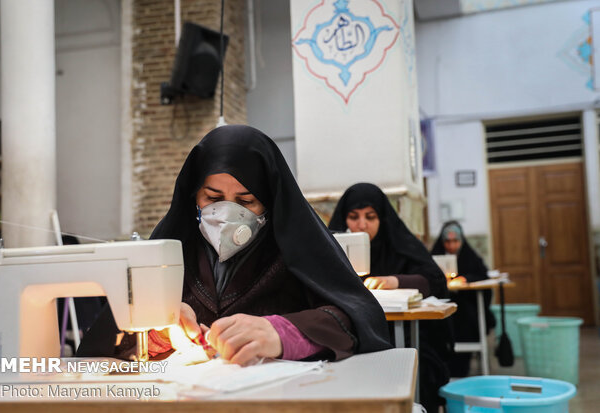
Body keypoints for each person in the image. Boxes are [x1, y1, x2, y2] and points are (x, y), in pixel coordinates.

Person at [77, 125, 391, 365]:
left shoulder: (294, 252)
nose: (227, 214)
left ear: (270, 202)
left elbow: (357, 317)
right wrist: (156, 333)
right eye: (212, 198)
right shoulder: (173, 254)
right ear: (193, 198)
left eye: (246, 201)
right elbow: (103, 348)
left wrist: (285, 333)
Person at [328, 183, 453, 413]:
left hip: (407, 336)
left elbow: (436, 281)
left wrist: (395, 281)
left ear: (383, 219)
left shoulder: (400, 246)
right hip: (352, 336)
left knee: (418, 370)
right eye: (353, 217)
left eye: (370, 217)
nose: (361, 225)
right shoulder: (333, 248)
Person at [431, 220, 496, 377]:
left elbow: (482, 275)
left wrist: (465, 279)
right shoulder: (434, 256)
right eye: (447, 241)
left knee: (467, 318)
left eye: (455, 241)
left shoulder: (469, 257)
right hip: (442, 308)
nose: (451, 246)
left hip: (466, 309)